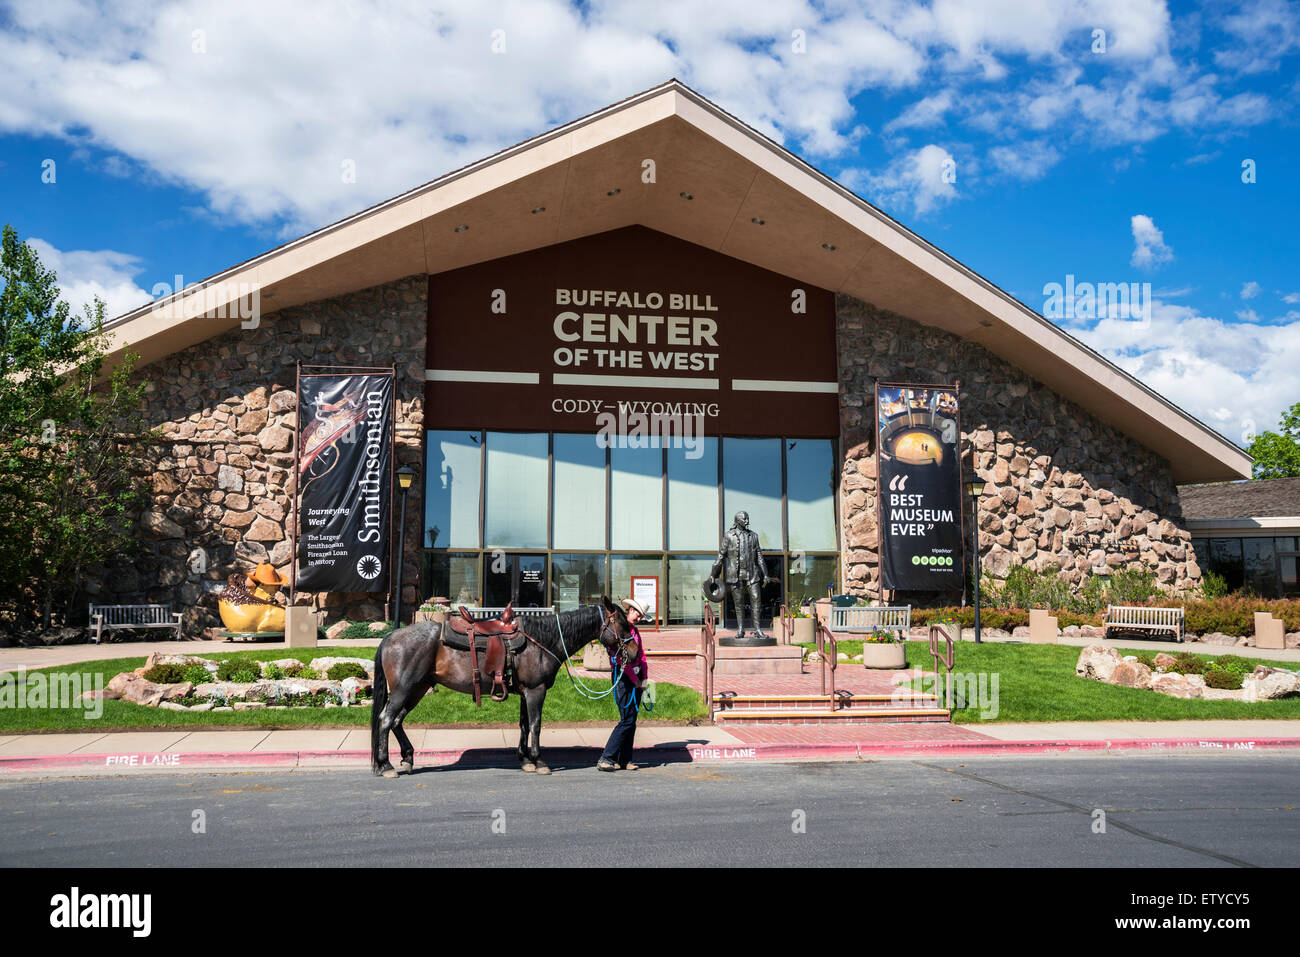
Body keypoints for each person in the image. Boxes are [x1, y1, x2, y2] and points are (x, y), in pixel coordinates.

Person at [597, 597, 649, 772]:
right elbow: (620, 659)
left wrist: (645, 679)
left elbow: (641, 656)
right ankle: (607, 757)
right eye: (638, 614)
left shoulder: (635, 632)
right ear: (631, 610)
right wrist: (635, 681)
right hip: (623, 677)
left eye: (641, 616)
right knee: (626, 719)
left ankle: (625, 759)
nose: (639, 618)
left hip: (637, 678)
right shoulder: (619, 630)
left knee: (632, 720)